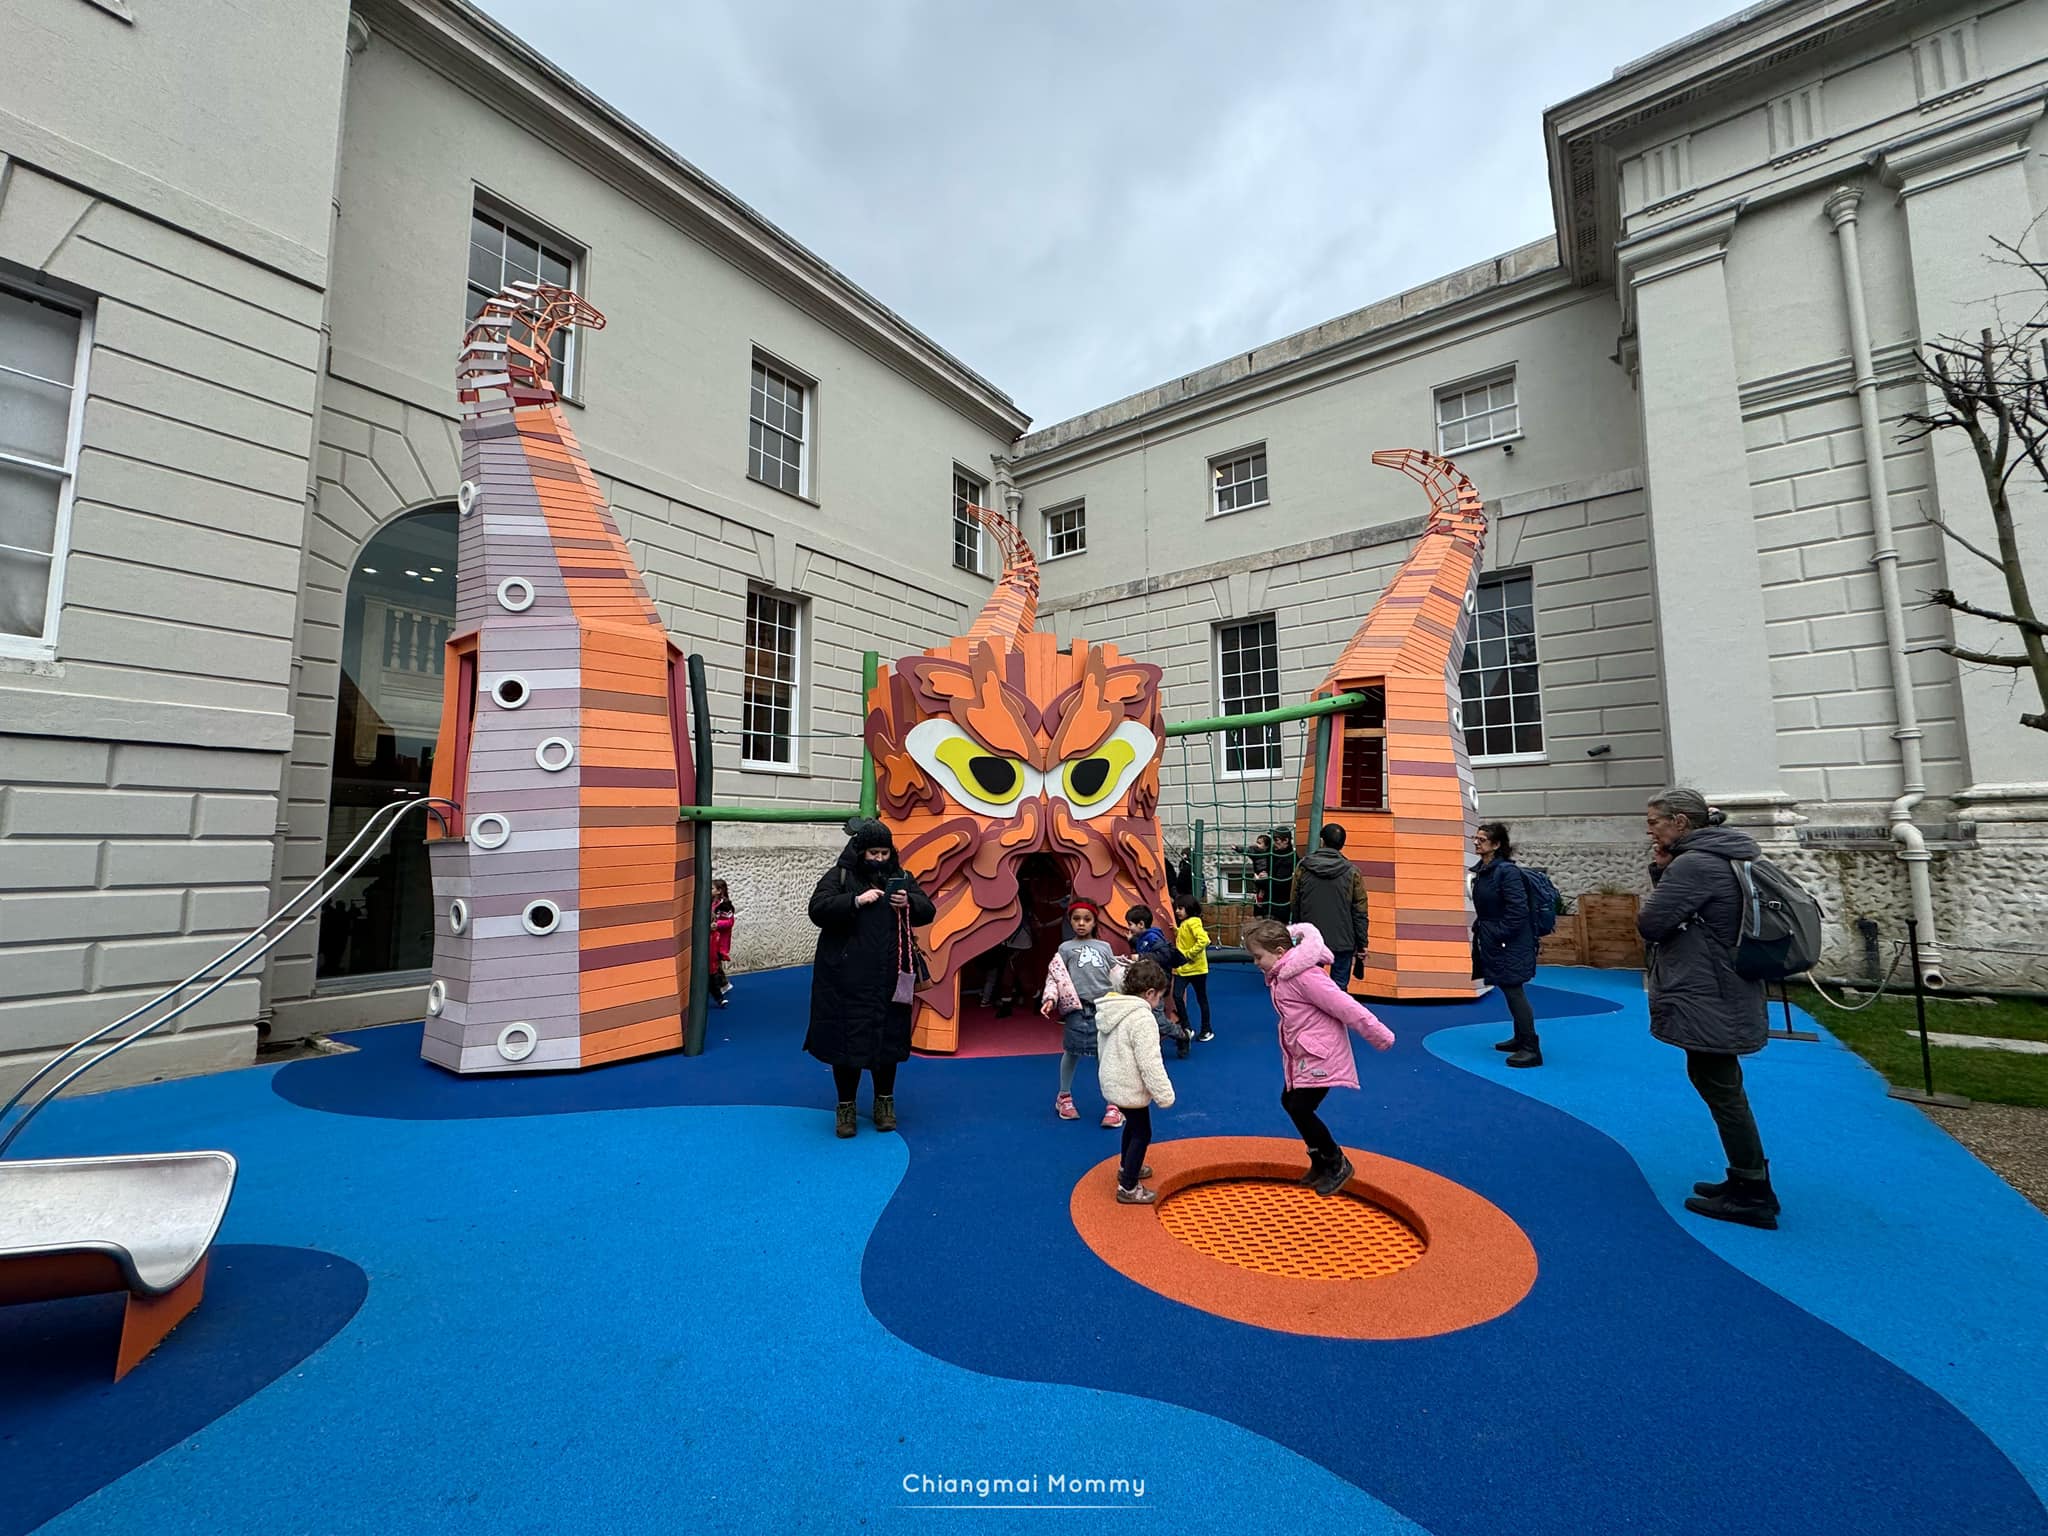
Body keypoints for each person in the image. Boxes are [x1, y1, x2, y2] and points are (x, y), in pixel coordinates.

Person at [1638, 789, 1779, 1230]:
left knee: (1722, 1088)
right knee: (1719, 1083)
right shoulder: (1728, 855)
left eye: (1655, 822)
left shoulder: (1695, 864)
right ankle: (1745, 1176)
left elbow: (1652, 923)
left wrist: (1663, 871)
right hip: (1724, 987)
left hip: (1710, 992)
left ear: (1680, 822)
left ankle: (1753, 1192)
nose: (1650, 830)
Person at [1242, 918, 1395, 1195]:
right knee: (1290, 1101)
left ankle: (1336, 1162)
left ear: (1279, 952)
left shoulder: (1305, 976)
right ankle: (1319, 1161)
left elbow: (1345, 1006)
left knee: (1300, 1106)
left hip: (1322, 1054)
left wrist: (1379, 1035)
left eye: (1258, 956)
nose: (1256, 963)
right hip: (1304, 1052)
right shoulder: (1282, 974)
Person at [805, 819, 935, 1139]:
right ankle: (846, 1107)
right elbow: (817, 909)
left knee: (887, 1044)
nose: (878, 858)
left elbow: (927, 910)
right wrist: (854, 901)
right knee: (845, 1045)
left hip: (888, 977)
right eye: (873, 853)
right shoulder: (840, 876)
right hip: (844, 980)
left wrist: (909, 902)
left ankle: (884, 1103)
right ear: (860, 851)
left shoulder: (902, 877)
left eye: (884, 852)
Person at [1094, 958, 1177, 1205]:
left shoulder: (1114, 1009)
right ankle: (1128, 1186)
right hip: (1130, 1085)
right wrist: (1164, 1094)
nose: (1159, 1002)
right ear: (1149, 993)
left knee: (1132, 1125)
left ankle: (1126, 1166)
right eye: (1159, 997)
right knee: (1142, 1132)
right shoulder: (1142, 1018)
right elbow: (1150, 1062)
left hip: (1114, 1081)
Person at [1042, 901, 1125, 1127]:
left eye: (1087, 919)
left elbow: (1117, 975)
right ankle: (1064, 1097)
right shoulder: (1065, 949)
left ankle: (1114, 1103)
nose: (1081, 923)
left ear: (1094, 922)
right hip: (1077, 1009)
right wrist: (1050, 998)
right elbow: (1055, 977)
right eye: (1076, 919)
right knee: (1071, 1051)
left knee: (1106, 1056)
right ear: (1070, 921)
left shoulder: (1104, 947)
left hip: (1104, 1008)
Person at [1470, 823, 1541, 1067]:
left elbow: (1518, 910)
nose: (1476, 842)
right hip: (1497, 939)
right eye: (1476, 838)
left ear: (1497, 845)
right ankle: (1521, 1038)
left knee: (1514, 990)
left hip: (1509, 942)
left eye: (1482, 839)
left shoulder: (1506, 872)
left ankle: (1531, 1047)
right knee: (1510, 988)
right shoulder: (1485, 870)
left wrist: (1499, 934)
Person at [1293, 824, 1370, 992]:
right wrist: (1362, 943)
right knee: (1339, 990)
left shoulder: (1303, 867)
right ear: (1342, 844)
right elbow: (1360, 911)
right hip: (1343, 939)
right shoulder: (1352, 872)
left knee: (1312, 986)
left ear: (1322, 841)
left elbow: (1295, 902)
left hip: (1312, 938)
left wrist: (1299, 933)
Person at [1126, 905, 1190, 1056]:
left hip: (1156, 984)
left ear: (1141, 924)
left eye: (1130, 924)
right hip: (1147, 982)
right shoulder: (1144, 938)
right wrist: (1132, 941)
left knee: (1158, 1019)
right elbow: (1144, 946)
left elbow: (1163, 955)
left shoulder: (1153, 938)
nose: (1129, 927)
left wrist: (1140, 958)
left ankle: (1181, 1035)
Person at [1172, 896, 1214, 1043]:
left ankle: (1206, 1029)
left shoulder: (1194, 922)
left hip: (1196, 969)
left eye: (1180, 908)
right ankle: (1187, 1027)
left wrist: (1188, 954)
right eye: (1176, 908)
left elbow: (1204, 940)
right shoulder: (1185, 923)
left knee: (1201, 999)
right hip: (1183, 969)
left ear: (1189, 909)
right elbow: (1186, 936)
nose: (1177, 911)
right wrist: (1177, 931)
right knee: (1177, 996)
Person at [708, 878, 736, 1008]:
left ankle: (721, 985)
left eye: (712, 888)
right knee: (714, 962)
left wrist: (717, 924)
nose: (709, 890)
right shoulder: (710, 902)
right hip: (713, 936)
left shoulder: (724, 905)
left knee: (715, 962)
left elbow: (730, 922)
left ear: (719, 891)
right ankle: (723, 983)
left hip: (720, 938)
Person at [1262, 828, 1298, 920]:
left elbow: (1280, 884)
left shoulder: (1289, 859)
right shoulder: (1274, 854)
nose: (1274, 843)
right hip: (1271, 905)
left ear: (1286, 840)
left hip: (1280, 908)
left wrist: (1262, 880)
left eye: (1276, 840)